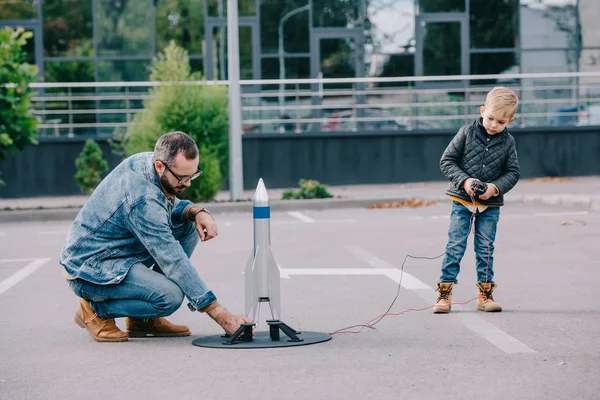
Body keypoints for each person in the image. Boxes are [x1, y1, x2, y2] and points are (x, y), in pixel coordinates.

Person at [60, 131, 251, 342]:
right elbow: (173, 260)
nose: (187, 184)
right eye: (182, 178)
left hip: (119, 250)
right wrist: (222, 316)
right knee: (170, 297)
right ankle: (94, 310)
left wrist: (197, 211)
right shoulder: (142, 199)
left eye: (193, 175)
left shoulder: (151, 163)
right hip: (91, 267)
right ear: (160, 166)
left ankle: (143, 320)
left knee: (187, 225)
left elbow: (165, 207)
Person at [434, 87, 520, 314]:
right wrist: (464, 181)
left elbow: (512, 173)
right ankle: (444, 293)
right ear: (482, 110)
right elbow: (447, 161)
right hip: (462, 201)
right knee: (455, 246)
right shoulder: (466, 132)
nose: (493, 125)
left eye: (501, 122)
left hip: (490, 206)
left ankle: (485, 295)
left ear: (510, 120)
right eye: (490, 118)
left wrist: (494, 188)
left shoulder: (508, 142)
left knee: (485, 248)